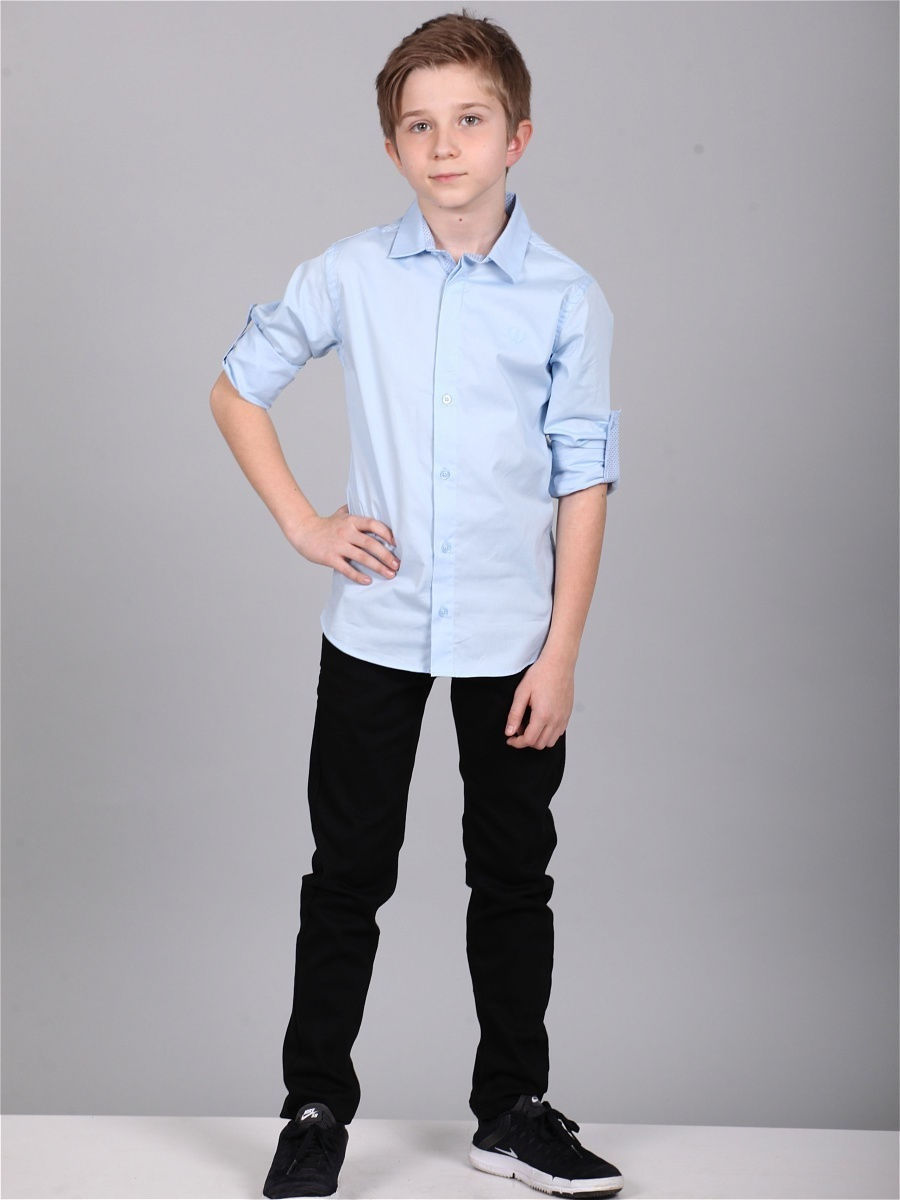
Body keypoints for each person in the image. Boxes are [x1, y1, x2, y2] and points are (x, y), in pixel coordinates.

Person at [210, 9, 623, 1198]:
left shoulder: (566, 297)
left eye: (470, 121)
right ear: (392, 146)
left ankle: (513, 1109)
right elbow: (238, 390)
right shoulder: (349, 273)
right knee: (347, 874)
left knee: (514, 877)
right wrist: (306, 523)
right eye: (419, 126)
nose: (445, 146)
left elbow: (584, 479)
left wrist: (562, 651)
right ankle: (313, 1109)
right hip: (377, 628)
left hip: (514, 638)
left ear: (517, 137)